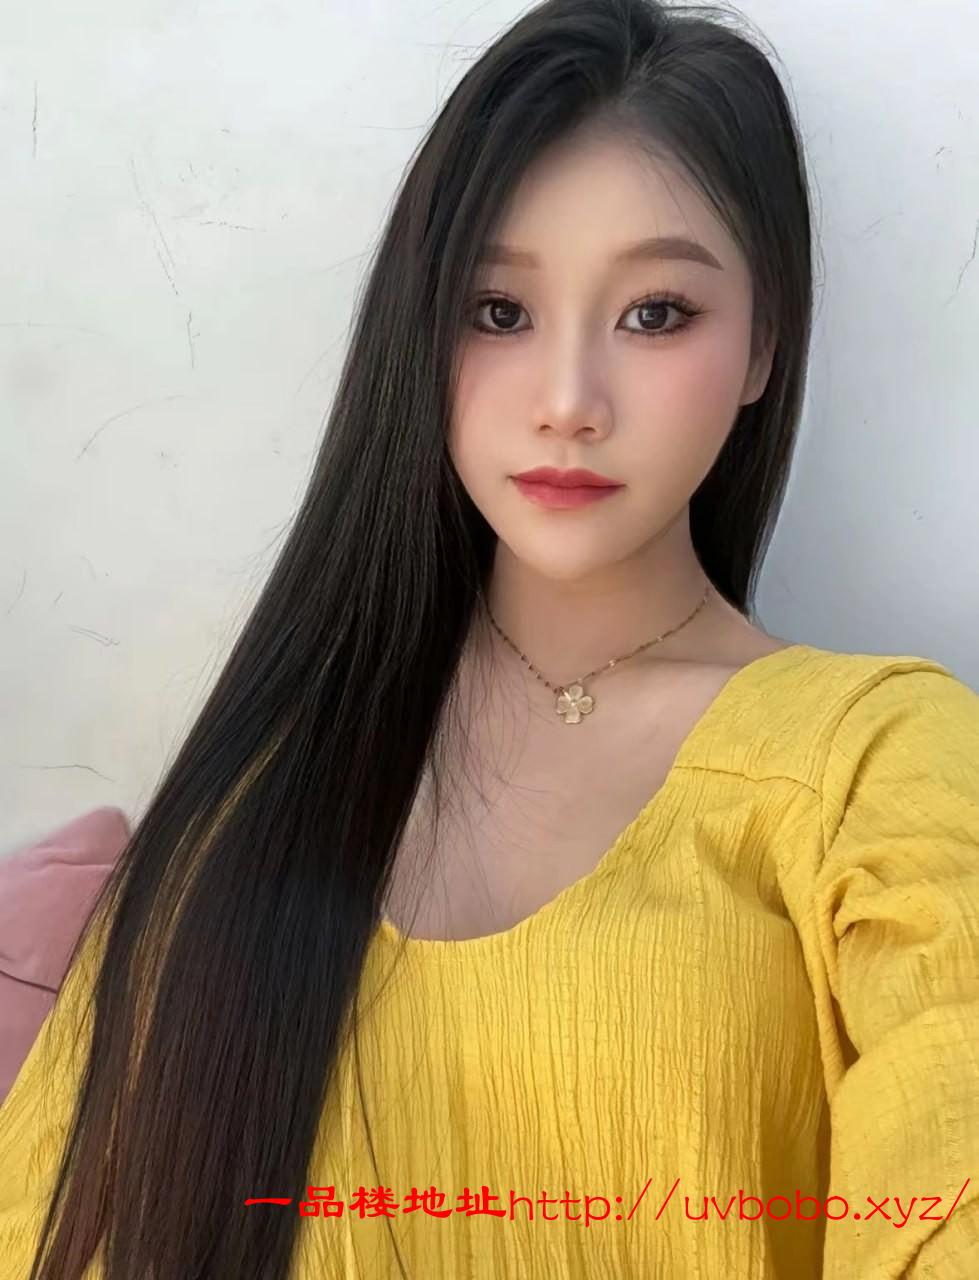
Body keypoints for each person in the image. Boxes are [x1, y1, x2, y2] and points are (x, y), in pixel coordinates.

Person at [1, 0, 977, 1276]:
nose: (568, 402)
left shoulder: (873, 767)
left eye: (657, 312)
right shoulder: (259, 793)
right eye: (498, 311)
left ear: (763, 347)